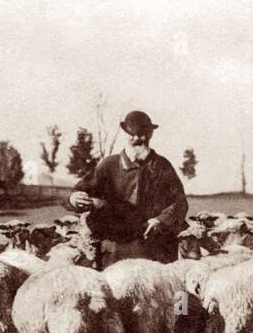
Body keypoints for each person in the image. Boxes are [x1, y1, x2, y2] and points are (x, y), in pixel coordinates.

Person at [64, 110, 188, 264]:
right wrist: (74, 198)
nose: (136, 138)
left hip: (154, 248)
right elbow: (81, 190)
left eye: (142, 134)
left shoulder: (162, 166)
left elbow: (180, 202)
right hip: (114, 248)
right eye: (131, 133)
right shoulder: (108, 165)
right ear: (124, 133)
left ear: (150, 134)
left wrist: (160, 221)